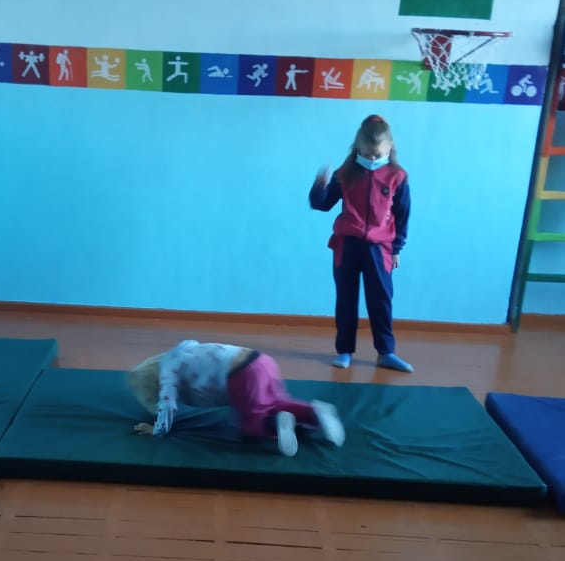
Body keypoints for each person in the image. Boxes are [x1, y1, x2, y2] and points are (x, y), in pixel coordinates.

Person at [309, 113, 413, 373]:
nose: (373, 159)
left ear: (390, 148)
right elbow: (322, 204)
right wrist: (318, 188)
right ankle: (344, 351)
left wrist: (397, 248)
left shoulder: (398, 177)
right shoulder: (345, 174)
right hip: (347, 246)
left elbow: (403, 215)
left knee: (381, 300)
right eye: (367, 154)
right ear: (358, 148)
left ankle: (386, 352)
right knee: (346, 299)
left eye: (378, 155)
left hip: (380, 249)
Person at [128, 339, 345, 457]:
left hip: (242, 376)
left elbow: (168, 403)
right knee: (276, 401)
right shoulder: (183, 349)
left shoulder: (168, 373)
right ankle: (315, 412)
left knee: (251, 425)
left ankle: (273, 423)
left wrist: (157, 430)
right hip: (261, 361)